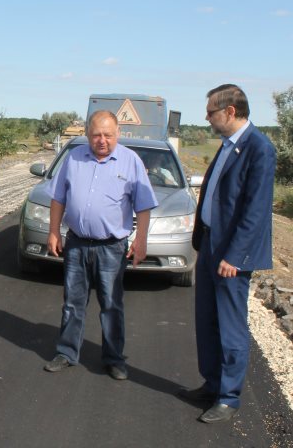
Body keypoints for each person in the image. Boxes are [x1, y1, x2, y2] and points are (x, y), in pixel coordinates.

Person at [178, 84, 276, 424]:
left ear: (230, 112)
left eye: (211, 112)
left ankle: (229, 397)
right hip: (209, 245)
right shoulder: (228, 146)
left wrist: (234, 256)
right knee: (206, 321)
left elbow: (255, 211)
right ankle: (212, 384)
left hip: (231, 255)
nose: (207, 118)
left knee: (230, 327)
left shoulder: (259, 149)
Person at [43, 110, 157, 381]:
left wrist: (141, 241)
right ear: (87, 134)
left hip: (111, 248)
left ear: (118, 134)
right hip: (76, 243)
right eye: (96, 135)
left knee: (111, 305)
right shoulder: (74, 158)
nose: (102, 140)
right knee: (72, 302)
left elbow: (143, 206)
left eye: (108, 135)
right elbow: (58, 198)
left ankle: (114, 359)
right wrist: (53, 232)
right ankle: (67, 352)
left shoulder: (131, 162)